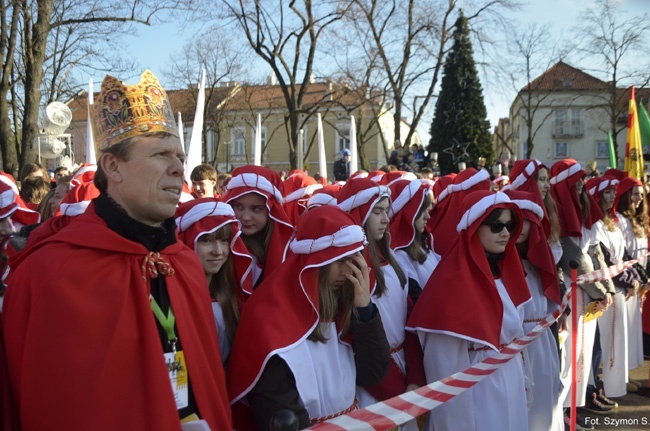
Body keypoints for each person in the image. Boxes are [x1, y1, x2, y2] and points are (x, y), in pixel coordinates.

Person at [2, 70, 232, 430]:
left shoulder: (183, 263)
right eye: (160, 154)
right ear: (113, 166)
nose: (178, 169)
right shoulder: (49, 273)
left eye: (179, 156)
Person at [227, 205, 389, 430]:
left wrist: (365, 309)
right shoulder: (268, 316)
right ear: (315, 264)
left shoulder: (342, 303)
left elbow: (373, 374)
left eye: (354, 262)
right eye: (340, 262)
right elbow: (276, 410)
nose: (348, 273)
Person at [407, 190, 531, 431]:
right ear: (474, 227)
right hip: (479, 394)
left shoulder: (504, 274)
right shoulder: (450, 285)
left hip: (510, 381)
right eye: (496, 226)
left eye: (509, 225)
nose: (506, 233)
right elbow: (443, 367)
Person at [337, 178, 412, 409]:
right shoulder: (352, 268)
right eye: (376, 211)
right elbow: (351, 337)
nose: (385, 219)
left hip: (404, 366)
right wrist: (394, 388)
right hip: (375, 380)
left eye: (386, 211)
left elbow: (408, 317)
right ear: (359, 213)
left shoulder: (390, 255)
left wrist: (415, 378)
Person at [551, 159, 614, 423]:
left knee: (581, 356)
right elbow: (574, 258)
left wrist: (606, 288)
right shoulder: (559, 213)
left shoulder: (583, 208)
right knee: (568, 358)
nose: (580, 184)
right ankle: (564, 413)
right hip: (570, 293)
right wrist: (600, 291)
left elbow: (595, 252)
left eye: (582, 179)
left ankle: (573, 409)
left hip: (586, 294)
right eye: (575, 179)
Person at [505, 189, 564, 431]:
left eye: (524, 222)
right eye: (511, 223)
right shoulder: (501, 261)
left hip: (541, 340)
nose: (516, 228)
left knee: (545, 397)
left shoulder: (541, 261)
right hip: (517, 343)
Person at [176, 198, 253, 363]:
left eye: (224, 240)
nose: (218, 251)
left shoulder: (231, 298)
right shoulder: (176, 303)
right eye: (207, 240)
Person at [588, 176, 638, 405]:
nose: (611, 196)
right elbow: (606, 258)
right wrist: (629, 280)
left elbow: (623, 255)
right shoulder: (595, 223)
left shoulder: (611, 220)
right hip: (604, 289)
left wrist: (636, 277)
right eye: (606, 192)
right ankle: (594, 389)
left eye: (613, 192)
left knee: (608, 343)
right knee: (598, 344)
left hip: (617, 288)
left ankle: (604, 387)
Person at [224, 165, 294, 287]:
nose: (246, 217)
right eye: (239, 207)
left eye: (256, 209)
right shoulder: (222, 246)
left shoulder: (289, 250)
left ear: (271, 211)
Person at [615, 176, 649, 390]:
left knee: (631, 329)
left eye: (641, 195)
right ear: (625, 195)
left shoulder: (639, 220)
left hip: (639, 283)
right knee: (622, 330)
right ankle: (618, 377)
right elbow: (624, 255)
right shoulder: (619, 220)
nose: (638, 198)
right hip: (627, 282)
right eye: (635, 194)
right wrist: (638, 278)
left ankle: (626, 374)